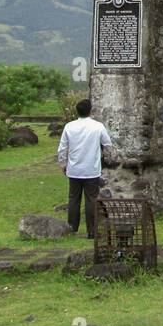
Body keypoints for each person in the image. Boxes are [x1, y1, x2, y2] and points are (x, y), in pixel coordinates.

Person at [57, 100, 112, 239]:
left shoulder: (69, 127)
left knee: (74, 198)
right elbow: (107, 144)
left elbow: (62, 148)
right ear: (90, 110)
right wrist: (106, 156)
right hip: (91, 169)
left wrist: (63, 164)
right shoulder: (97, 126)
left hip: (74, 168)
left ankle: (72, 228)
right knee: (91, 199)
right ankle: (92, 230)